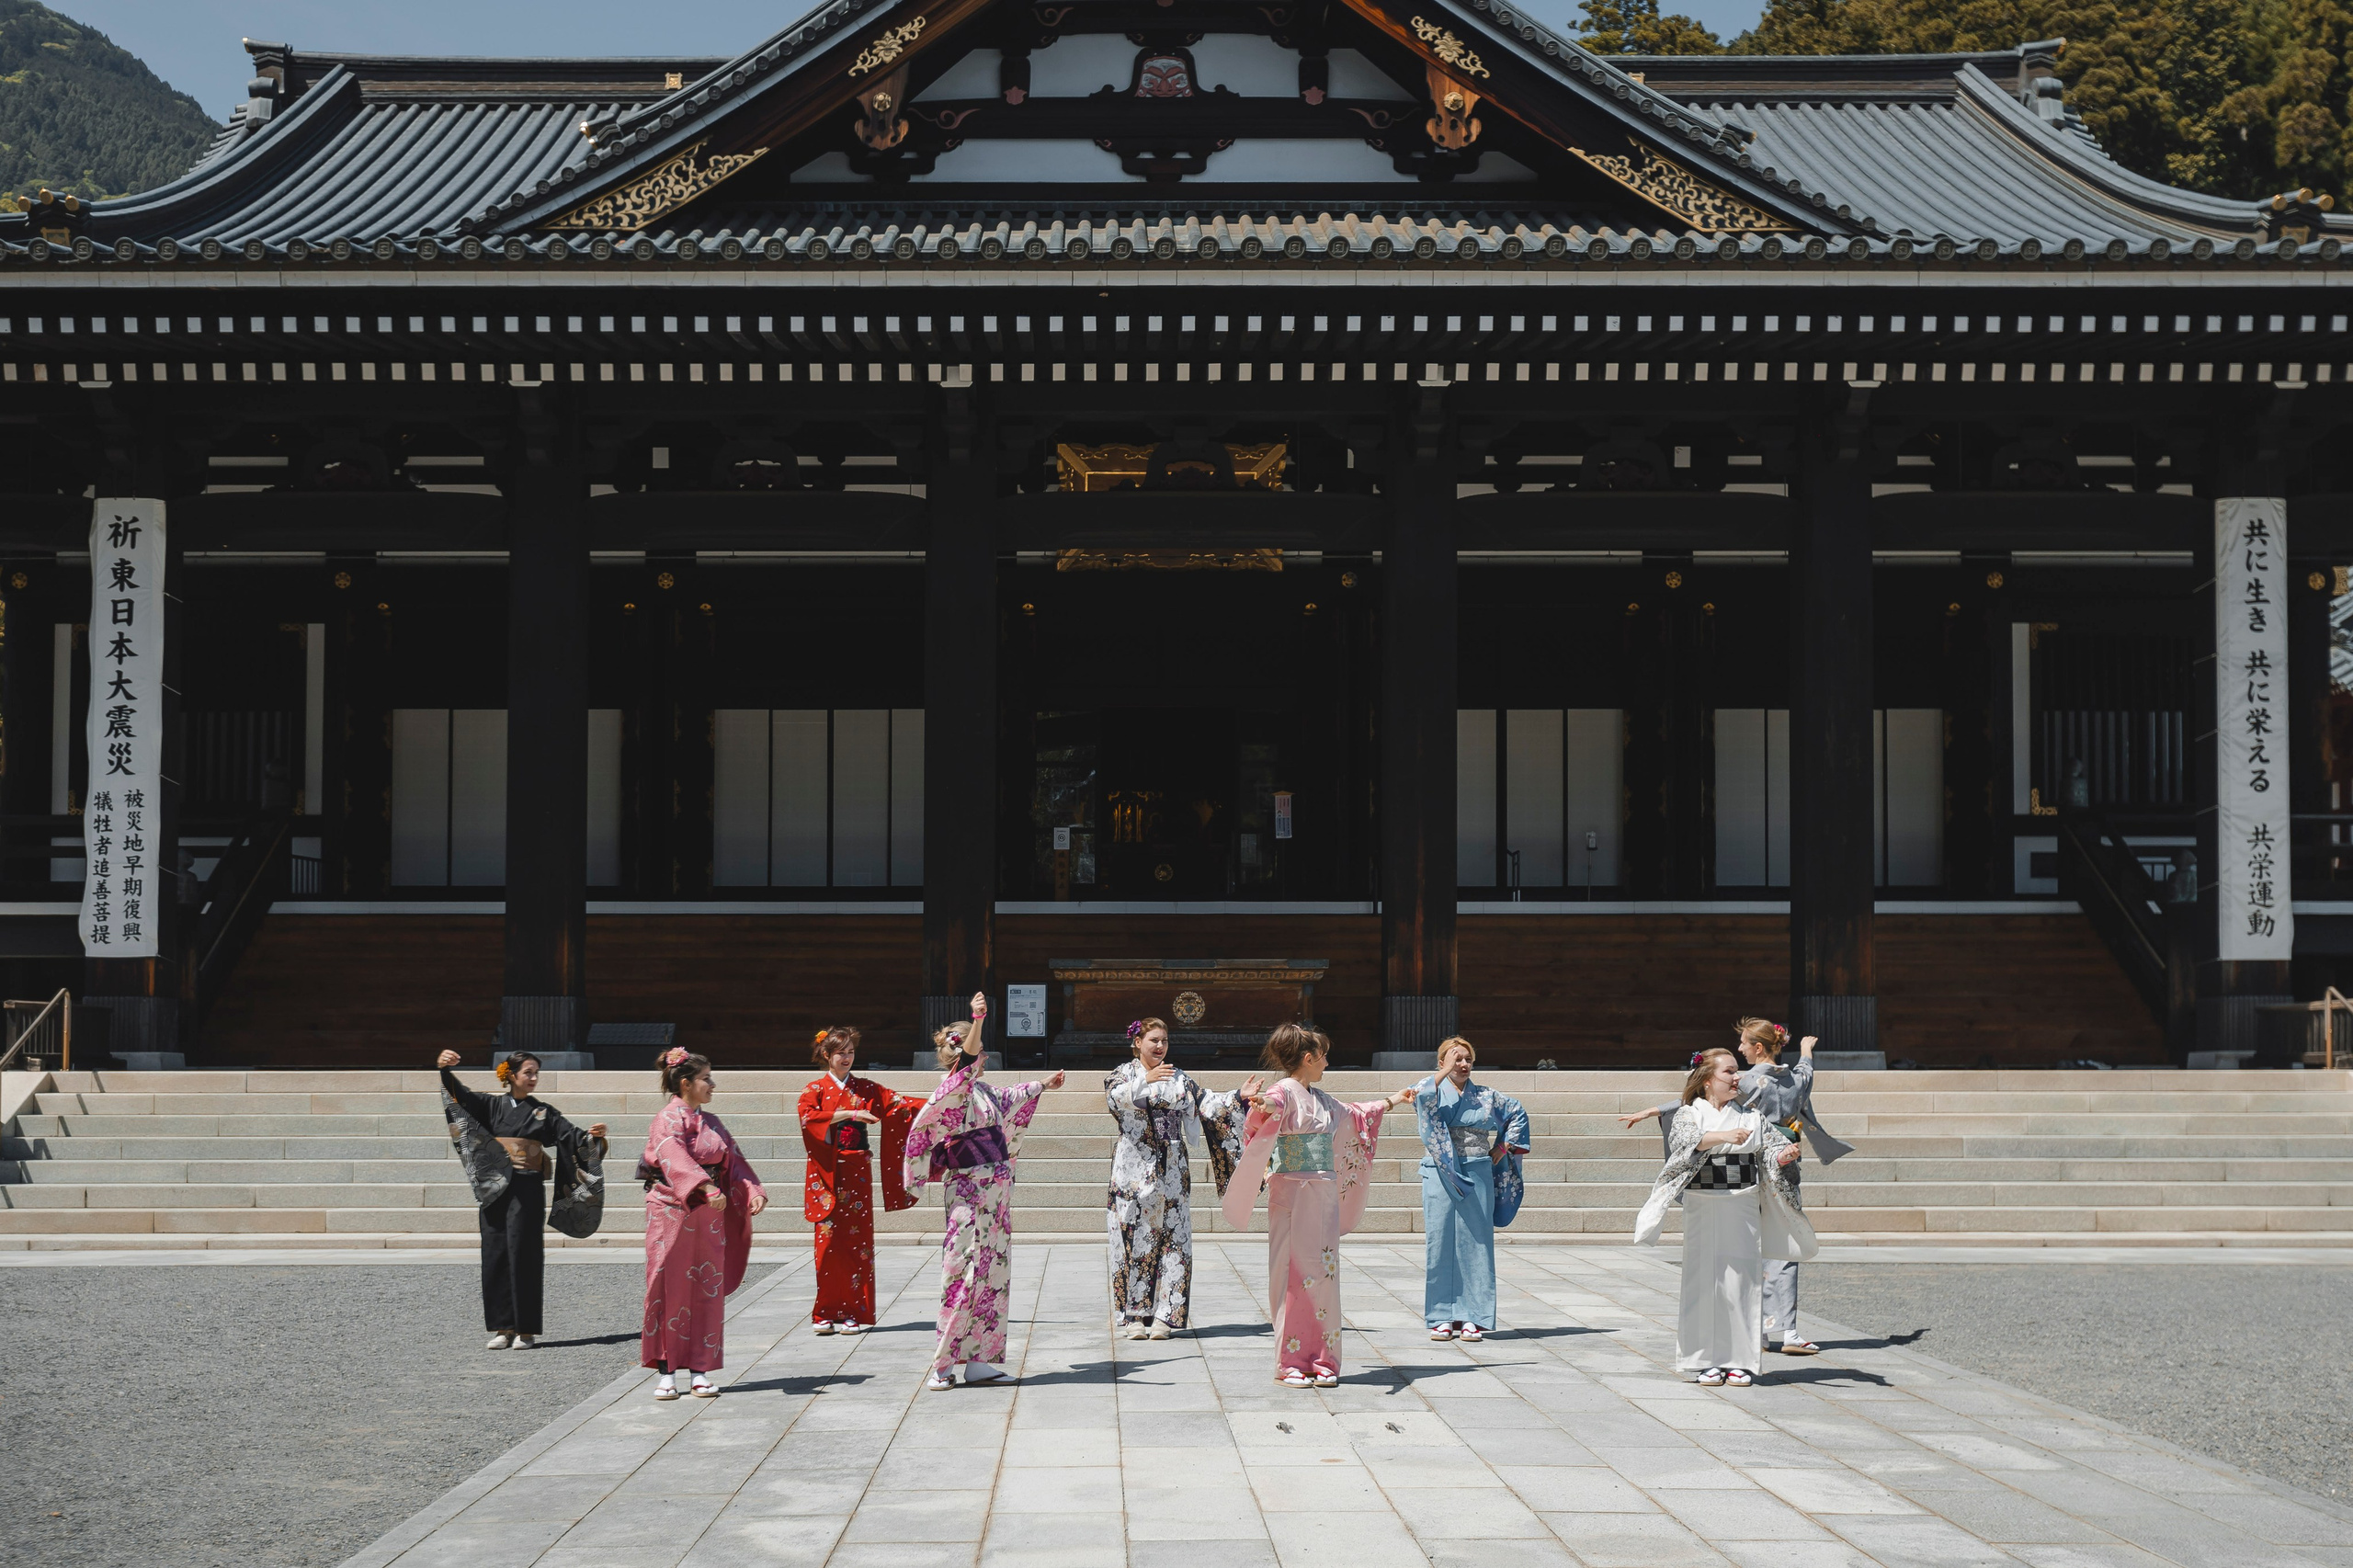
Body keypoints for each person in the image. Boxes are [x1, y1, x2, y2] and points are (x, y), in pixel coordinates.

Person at [1620, 1018, 1850, 1356]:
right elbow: (1807, 1072)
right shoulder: (1796, 1079)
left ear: (1758, 1048)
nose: (1740, 1053)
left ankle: (1758, 1333)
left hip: (1756, 1163)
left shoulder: (1749, 1084)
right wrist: (1805, 1051)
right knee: (1776, 1249)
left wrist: (1656, 1109)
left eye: (1743, 1044)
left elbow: (1699, 1094)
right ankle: (1786, 1329)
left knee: (1747, 1257)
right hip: (1775, 1167)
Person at [1222, 1023, 1415, 1389]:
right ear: (1308, 1058)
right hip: (1293, 1193)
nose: (1327, 1061)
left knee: (1325, 1277)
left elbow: (1356, 1114)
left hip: (1323, 1194)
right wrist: (1262, 1105)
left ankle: (1323, 1359)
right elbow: (1271, 1106)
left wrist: (1393, 1100)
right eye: (1323, 1055)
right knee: (1291, 1277)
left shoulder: (1322, 1099)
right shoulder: (1284, 1092)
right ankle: (1290, 1361)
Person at [903, 993, 1067, 1392]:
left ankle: (980, 1360)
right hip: (968, 1191)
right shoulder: (953, 1091)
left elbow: (1012, 1098)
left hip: (995, 1194)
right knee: (963, 1271)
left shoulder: (983, 1092)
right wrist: (978, 1018)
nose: (985, 1059)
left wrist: (1043, 1083)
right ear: (964, 1055)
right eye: (979, 1053)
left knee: (994, 1272)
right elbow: (968, 1062)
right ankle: (943, 1364)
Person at [1634, 1047, 1816, 1389]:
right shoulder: (1690, 1114)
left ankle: (1740, 1361)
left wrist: (1785, 1156)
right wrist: (1723, 1137)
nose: (1737, 1078)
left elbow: (1772, 1150)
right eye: (1729, 1072)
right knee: (1702, 1281)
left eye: (1737, 1072)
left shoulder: (1750, 1116)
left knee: (1743, 1282)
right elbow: (1686, 1142)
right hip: (1703, 1203)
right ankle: (1705, 1360)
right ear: (1706, 1080)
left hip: (1743, 1203)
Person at [436, 1048, 607, 1350]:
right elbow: (460, 1098)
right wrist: (445, 1072)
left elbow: (572, 1137)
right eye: (528, 1072)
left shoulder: (544, 1112)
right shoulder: (490, 1104)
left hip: (527, 1187)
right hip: (494, 1186)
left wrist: (594, 1138)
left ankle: (526, 1330)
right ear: (511, 1075)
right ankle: (503, 1327)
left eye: (536, 1073)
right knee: (495, 1251)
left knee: (525, 1253)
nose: (534, 1078)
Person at [1104, 1017, 1255, 1339]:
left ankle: (1166, 1316)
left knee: (1175, 1240)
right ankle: (1133, 1316)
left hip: (1172, 1167)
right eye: (1153, 1040)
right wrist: (1144, 1080)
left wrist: (1238, 1096)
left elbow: (1208, 1105)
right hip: (1134, 1168)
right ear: (1137, 1043)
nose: (1160, 1046)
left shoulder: (1179, 1077)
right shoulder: (1122, 1074)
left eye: (1164, 1041)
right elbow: (1115, 1099)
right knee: (1133, 1238)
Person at [639, 1047, 767, 1401]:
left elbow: (733, 1160)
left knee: (705, 1288)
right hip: (671, 1210)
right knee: (666, 1285)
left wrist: (750, 1188)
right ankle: (666, 1371)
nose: (712, 1084)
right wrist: (705, 1185)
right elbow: (672, 1156)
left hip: (709, 1214)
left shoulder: (712, 1122)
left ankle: (700, 1368)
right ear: (685, 1083)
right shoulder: (665, 1119)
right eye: (706, 1078)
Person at [798, 1026, 926, 1335]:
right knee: (827, 1245)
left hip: (857, 1171)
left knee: (858, 1243)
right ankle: (825, 1312)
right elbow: (808, 1119)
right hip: (827, 1172)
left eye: (851, 1051)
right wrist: (850, 1115)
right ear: (826, 1055)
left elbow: (900, 1106)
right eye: (840, 1052)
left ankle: (854, 1311)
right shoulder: (814, 1089)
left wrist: (938, 1103)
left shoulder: (865, 1088)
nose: (847, 1057)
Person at [1409, 1037, 1529, 1344]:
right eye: (1455, 1059)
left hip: (1477, 1171)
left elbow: (1517, 1113)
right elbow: (1419, 1096)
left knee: (1477, 1242)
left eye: (1467, 1060)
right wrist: (1442, 1072)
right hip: (1440, 1171)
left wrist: (1501, 1148)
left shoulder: (1487, 1096)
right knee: (1440, 1241)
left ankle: (1474, 1316)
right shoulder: (1432, 1090)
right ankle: (1441, 1316)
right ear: (1441, 1063)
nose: (1462, 1065)